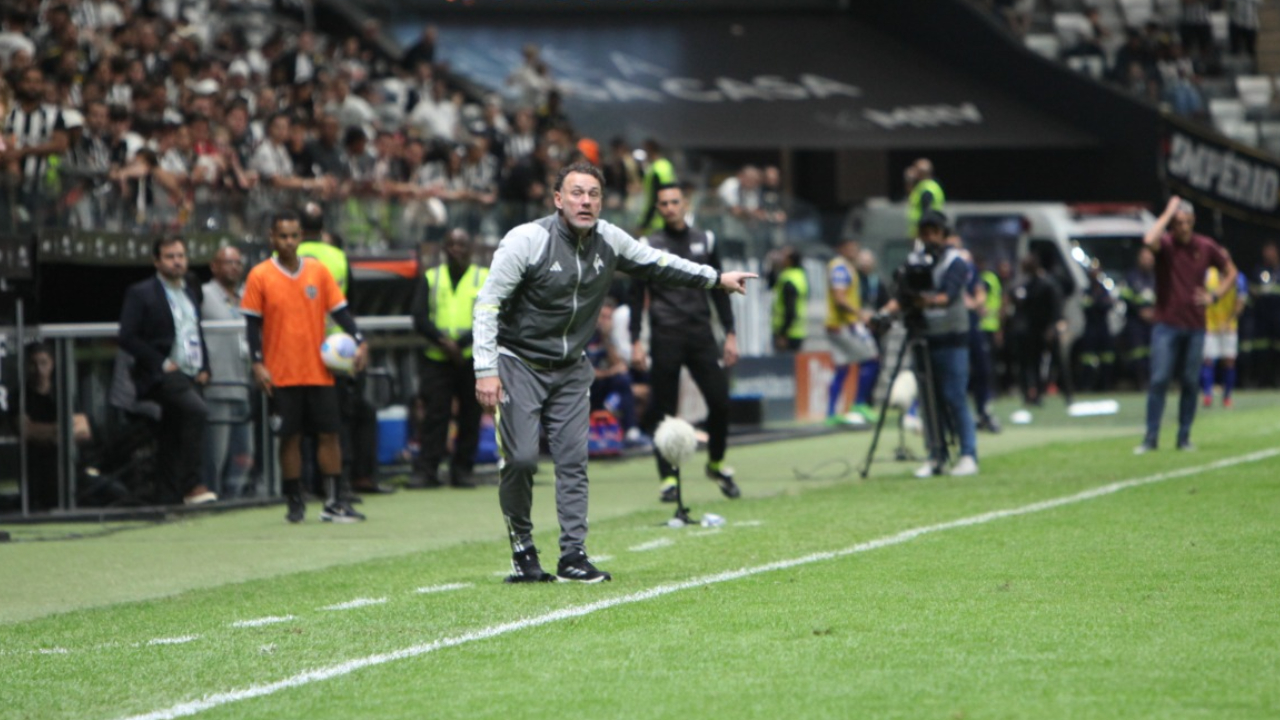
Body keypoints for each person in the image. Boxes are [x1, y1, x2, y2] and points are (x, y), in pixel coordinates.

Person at [473, 161, 755, 584]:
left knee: (573, 462)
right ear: (557, 199)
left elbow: (661, 263)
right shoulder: (526, 240)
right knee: (523, 459)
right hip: (518, 363)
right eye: (576, 193)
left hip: (571, 369)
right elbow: (488, 303)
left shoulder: (610, 239)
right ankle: (522, 547)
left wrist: (716, 278)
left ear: (601, 202)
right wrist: (486, 368)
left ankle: (573, 556)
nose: (585, 202)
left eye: (593, 195)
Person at [241, 211, 370, 523]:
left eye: (294, 235)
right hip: (281, 372)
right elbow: (252, 326)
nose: (288, 242)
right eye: (282, 236)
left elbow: (341, 312)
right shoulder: (260, 275)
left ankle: (335, 500)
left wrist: (360, 340)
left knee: (330, 434)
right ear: (272, 238)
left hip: (319, 370)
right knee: (290, 437)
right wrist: (257, 363)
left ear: (301, 237)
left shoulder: (317, 271)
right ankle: (294, 501)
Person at [630, 183, 742, 504]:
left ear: (685, 203)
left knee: (720, 402)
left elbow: (722, 287)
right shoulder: (648, 245)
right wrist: (636, 340)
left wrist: (730, 333)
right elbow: (638, 296)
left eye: (674, 202)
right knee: (664, 410)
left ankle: (716, 464)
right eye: (663, 203)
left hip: (701, 335)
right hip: (665, 335)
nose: (668, 208)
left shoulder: (705, 239)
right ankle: (668, 478)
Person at [297, 203, 388, 497]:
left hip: (296, 348)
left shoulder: (281, 258)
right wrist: (356, 339)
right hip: (334, 351)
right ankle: (339, 483)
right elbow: (347, 304)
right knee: (336, 418)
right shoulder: (336, 256)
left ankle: (303, 486)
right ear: (323, 229)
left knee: (300, 421)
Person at [878, 210, 978, 478]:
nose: (930, 237)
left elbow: (947, 296)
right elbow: (902, 295)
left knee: (954, 396)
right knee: (928, 400)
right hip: (924, 337)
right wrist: (885, 313)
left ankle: (968, 454)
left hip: (952, 338)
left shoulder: (956, 262)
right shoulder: (914, 261)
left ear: (944, 234)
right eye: (925, 232)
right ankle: (936, 455)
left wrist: (924, 300)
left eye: (935, 231)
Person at [118, 237, 215, 505]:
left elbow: (196, 329)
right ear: (157, 261)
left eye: (181, 255)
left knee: (172, 433)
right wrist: (160, 362)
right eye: (170, 256)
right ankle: (192, 483)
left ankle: (168, 498)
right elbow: (127, 336)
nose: (177, 261)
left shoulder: (190, 290)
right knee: (197, 412)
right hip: (162, 374)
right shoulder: (142, 292)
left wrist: (205, 365)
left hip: (190, 371)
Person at [1135, 197, 1236, 454]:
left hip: (1194, 325)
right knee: (1159, 379)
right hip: (1166, 324)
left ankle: (1183, 437)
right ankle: (1151, 437)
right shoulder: (1166, 245)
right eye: (1178, 222)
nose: (1183, 227)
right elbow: (1148, 240)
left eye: (1187, 222)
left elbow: (1231, 272)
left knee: (1190, 381)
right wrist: (1168, 211)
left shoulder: (1204, 245)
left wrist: (1214, 296)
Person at [409, 228, 487, 489]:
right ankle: (427, 470)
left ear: (470, 249)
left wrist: (460, 344)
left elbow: (490, 315)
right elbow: (419, 317)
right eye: (452, 245)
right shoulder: (432, 277)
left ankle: (462, 470)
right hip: (437, 357)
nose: (457, 250)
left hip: (471, 356)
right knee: (434, 415)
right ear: (444, 249)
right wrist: (444, 343)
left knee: (470, 415)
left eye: (462, 245)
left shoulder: (483, 277)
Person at [201, 246, 254, 498]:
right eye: (227, 262)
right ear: (214, 266)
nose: (233, 267)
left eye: (237, 262)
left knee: (245, 450)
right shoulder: (203, 295)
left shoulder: (247, 295)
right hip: (218, 385)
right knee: (215, 452)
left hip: (244, 384)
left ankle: (235, 495)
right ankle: (213, 493)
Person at [19, 342, 91, 511]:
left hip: (69, 470)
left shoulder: (62, 393)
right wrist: (62, 430)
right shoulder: (22, 397)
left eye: (44, 363)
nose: (39, 369)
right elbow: (25, 430)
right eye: (33, 364)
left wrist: (48, 432)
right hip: (33, 471)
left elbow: (84, 430)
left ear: (52, 364)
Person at [824, 237, 877, 425]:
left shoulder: (843, 266)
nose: (855, 251)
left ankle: (830, 413)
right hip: (844, 325)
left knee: (842, 368)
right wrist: (860, 314)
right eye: (853, 247)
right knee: (871, 359)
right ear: (843, 248)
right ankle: (859, 402)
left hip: (837, 325)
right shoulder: (840, 268)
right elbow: (840, 298)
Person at [1008, 254, 1065, 406]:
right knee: (1029, 364)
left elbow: (1054, 307)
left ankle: (1065, 395)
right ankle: (1031, 394)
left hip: (1043, 329)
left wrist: (1053, 326)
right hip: (1030, 330)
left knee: (1052, 361)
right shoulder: (1026, 283)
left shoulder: (1046, 283)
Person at [1201, 257, 1247, 408]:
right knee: (1208, 359)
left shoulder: (1238, 277)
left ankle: (1227, 396)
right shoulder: (1208, 275)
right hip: (1210, 324)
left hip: (1229, 326)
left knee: (1229, 360)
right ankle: (1207, 394)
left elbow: (1241, 301)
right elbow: (1201, 295)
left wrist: (1229, 321)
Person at [1121, 247, 1157, 389]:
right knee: (1137, 353)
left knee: (1153, 353)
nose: (1147, 261)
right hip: (1135, 321)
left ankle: (1152, 382)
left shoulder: (1156, 277)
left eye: (1150, 259)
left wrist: (1154, 312)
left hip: (1153, 321)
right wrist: (1139, 311)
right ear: (1139, 260)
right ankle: (1140, 382)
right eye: (1144, 258)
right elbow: (1125, 296)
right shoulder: (1131, 277)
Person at [1247, 241, 1280, 387]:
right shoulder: (1258, 271)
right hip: (1262, 317)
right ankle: (1262, 380)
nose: (1269, 254)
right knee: (1262, 349)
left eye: (1271, 251)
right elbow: (1251, 291)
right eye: (1266, 251)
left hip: (1278, 317)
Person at [771, 246, 807, 352]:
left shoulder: (789, 280)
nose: (780, 258)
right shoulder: (799, 275)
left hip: (787, 333)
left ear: (790, 260)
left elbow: (790, 309)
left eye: (783, 256)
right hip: (798, 331)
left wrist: (783, 334)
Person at [636, 138, 675, 234]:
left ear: (650, 150)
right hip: (669, 219)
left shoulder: (655, 170)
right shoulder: (666, 166)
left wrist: (644, 224)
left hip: (655, 223)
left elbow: (655, 199)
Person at [905, 158, 944, 239]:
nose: (913, 172)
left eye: (915, 169)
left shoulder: (926, 189)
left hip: (923, 232)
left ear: (920, 172)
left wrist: (923, 232)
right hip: (923, 231)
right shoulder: (924, 186)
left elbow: (926, 211)